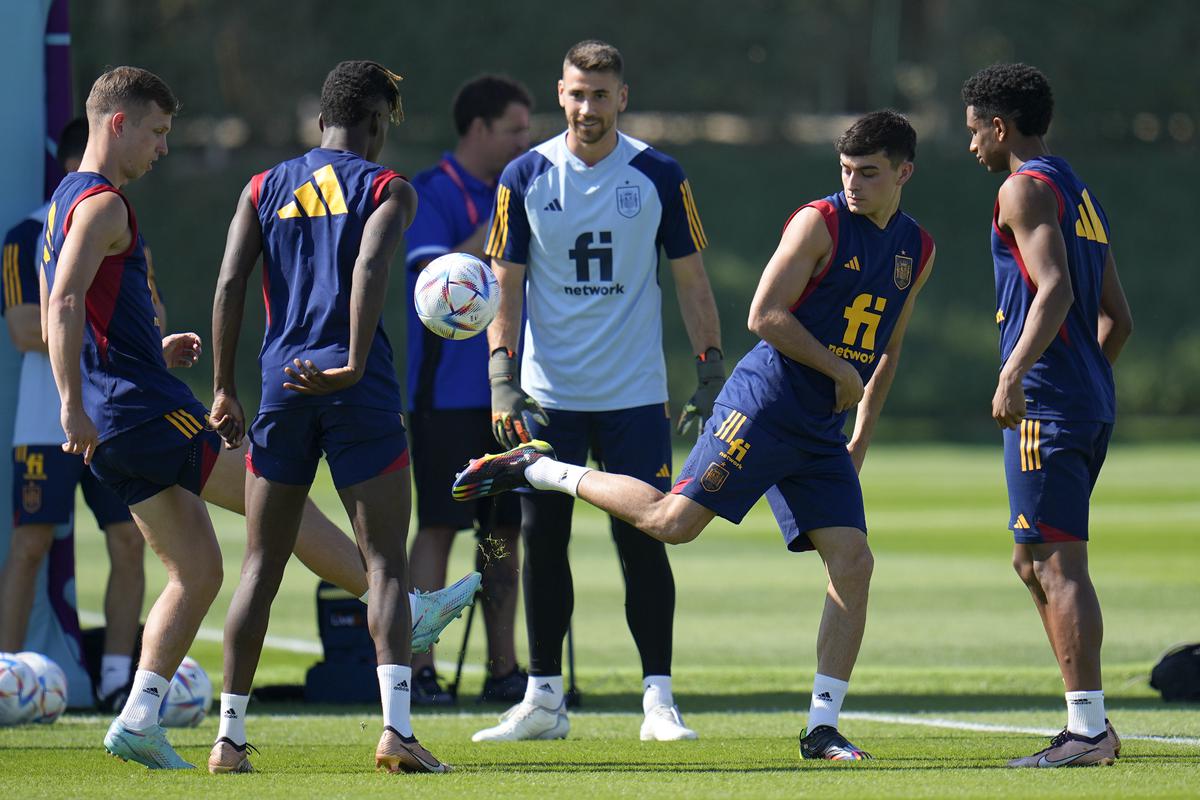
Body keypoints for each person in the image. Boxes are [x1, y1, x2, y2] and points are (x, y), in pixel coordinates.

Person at [458, 110, 935, 760]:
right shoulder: (818, 222)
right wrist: (836, 370)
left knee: (853, 562)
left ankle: (822, 727)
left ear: (904, 172)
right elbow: (763, 314)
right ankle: (541, 470)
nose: (853, 183)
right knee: (669, 523)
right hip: (766, 402)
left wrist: (860, 436)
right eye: (846, 170)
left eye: (869, 173)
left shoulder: (918, 248)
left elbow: (892, 348)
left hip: (822, 424)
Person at [43, 66, 473, 772]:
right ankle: (402, 623)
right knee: (300, 527)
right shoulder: (108, 206)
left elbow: (206, 285)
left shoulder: (73, 200)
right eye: (157, 132)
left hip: (185, 404)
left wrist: (202, 372)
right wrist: (72, 404)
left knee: (211, 570)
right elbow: (63, 305)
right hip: (152, 409)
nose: (164, 148)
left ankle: (159, 721)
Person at [470, 40, 724, 743]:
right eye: (578, 93)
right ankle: (543, 699)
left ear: (623, 97)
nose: (589, 107)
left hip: (635, 395)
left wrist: (710, 370)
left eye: (602, 94)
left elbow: (692, 278)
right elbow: (506, 284)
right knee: (541, 544)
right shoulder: (523, 175)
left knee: (645, 541)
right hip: (548, 396)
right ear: (560, 94)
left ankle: (659, 702)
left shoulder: (658, 174)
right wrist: (501, 379)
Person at [210, 60, 449, 774]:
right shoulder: (388, 187)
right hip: (358, 389)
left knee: (260, 563)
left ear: (322, 121)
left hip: (282, 385)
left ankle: (227, 739)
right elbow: (370, 269)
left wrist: (223, 388)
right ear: (377, 123)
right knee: (383, 566)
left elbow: (228, 281)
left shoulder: (263, 185)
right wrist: (347, 359)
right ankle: (396, 732)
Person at [962, 63, 1132, 768]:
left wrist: (1018, 375)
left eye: (975, 131)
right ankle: (1082, 720)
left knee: (1056, 566)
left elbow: (1057, 288)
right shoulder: (1077, 191)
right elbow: (1118, 320)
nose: (971, 145)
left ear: (1000, 127)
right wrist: (1084, 382)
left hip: (1051, 409)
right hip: (1082, 401)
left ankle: (1088, 732)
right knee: (1030, 562)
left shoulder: (1022, 187)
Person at [1, 118, 150, 707]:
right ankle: (10, 677)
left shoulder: (123, 224)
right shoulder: (26, 235)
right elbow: (23, 328)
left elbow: (150, 310)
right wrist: (100, 329)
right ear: (73, 166)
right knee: (31, 543)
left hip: (114, 414)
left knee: (129, 542)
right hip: (44, 420)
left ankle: (117, 678)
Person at [404, 74, 533, 706]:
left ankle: (502, 667)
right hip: (445, 398)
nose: (525, 141)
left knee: (501, 533)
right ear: (479, 129)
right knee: (437, 526)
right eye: (513, 129)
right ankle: (419, 668)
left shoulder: (530, 191)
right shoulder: (430, 193)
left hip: (504, 397)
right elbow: (436, 278)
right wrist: (506, 218)